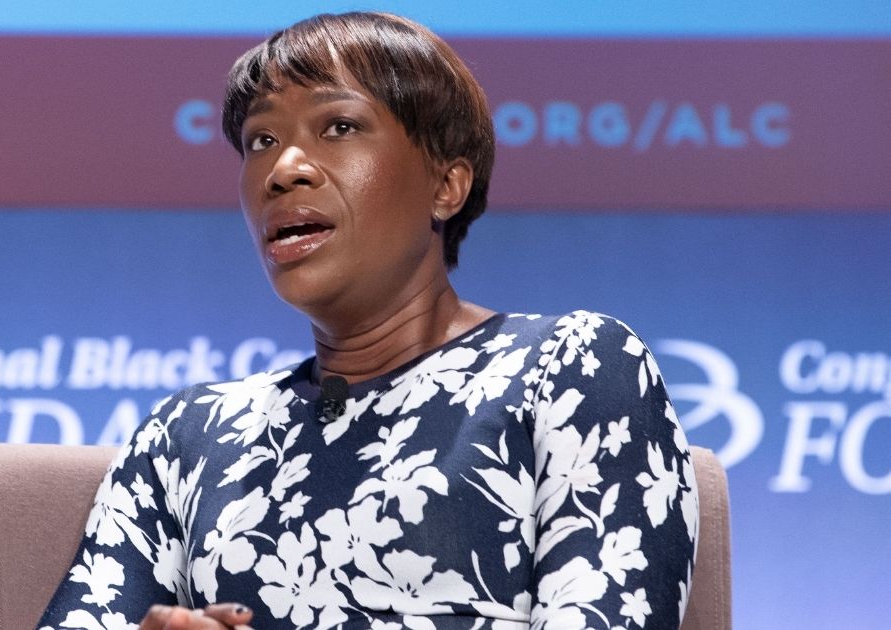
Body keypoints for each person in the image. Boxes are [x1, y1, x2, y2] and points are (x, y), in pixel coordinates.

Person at [39, 11, 697, 630]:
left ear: (446, 185)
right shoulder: (190, 433)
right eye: (261, 140)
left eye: (338, 127)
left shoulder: (571, 367)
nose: (283, 170)